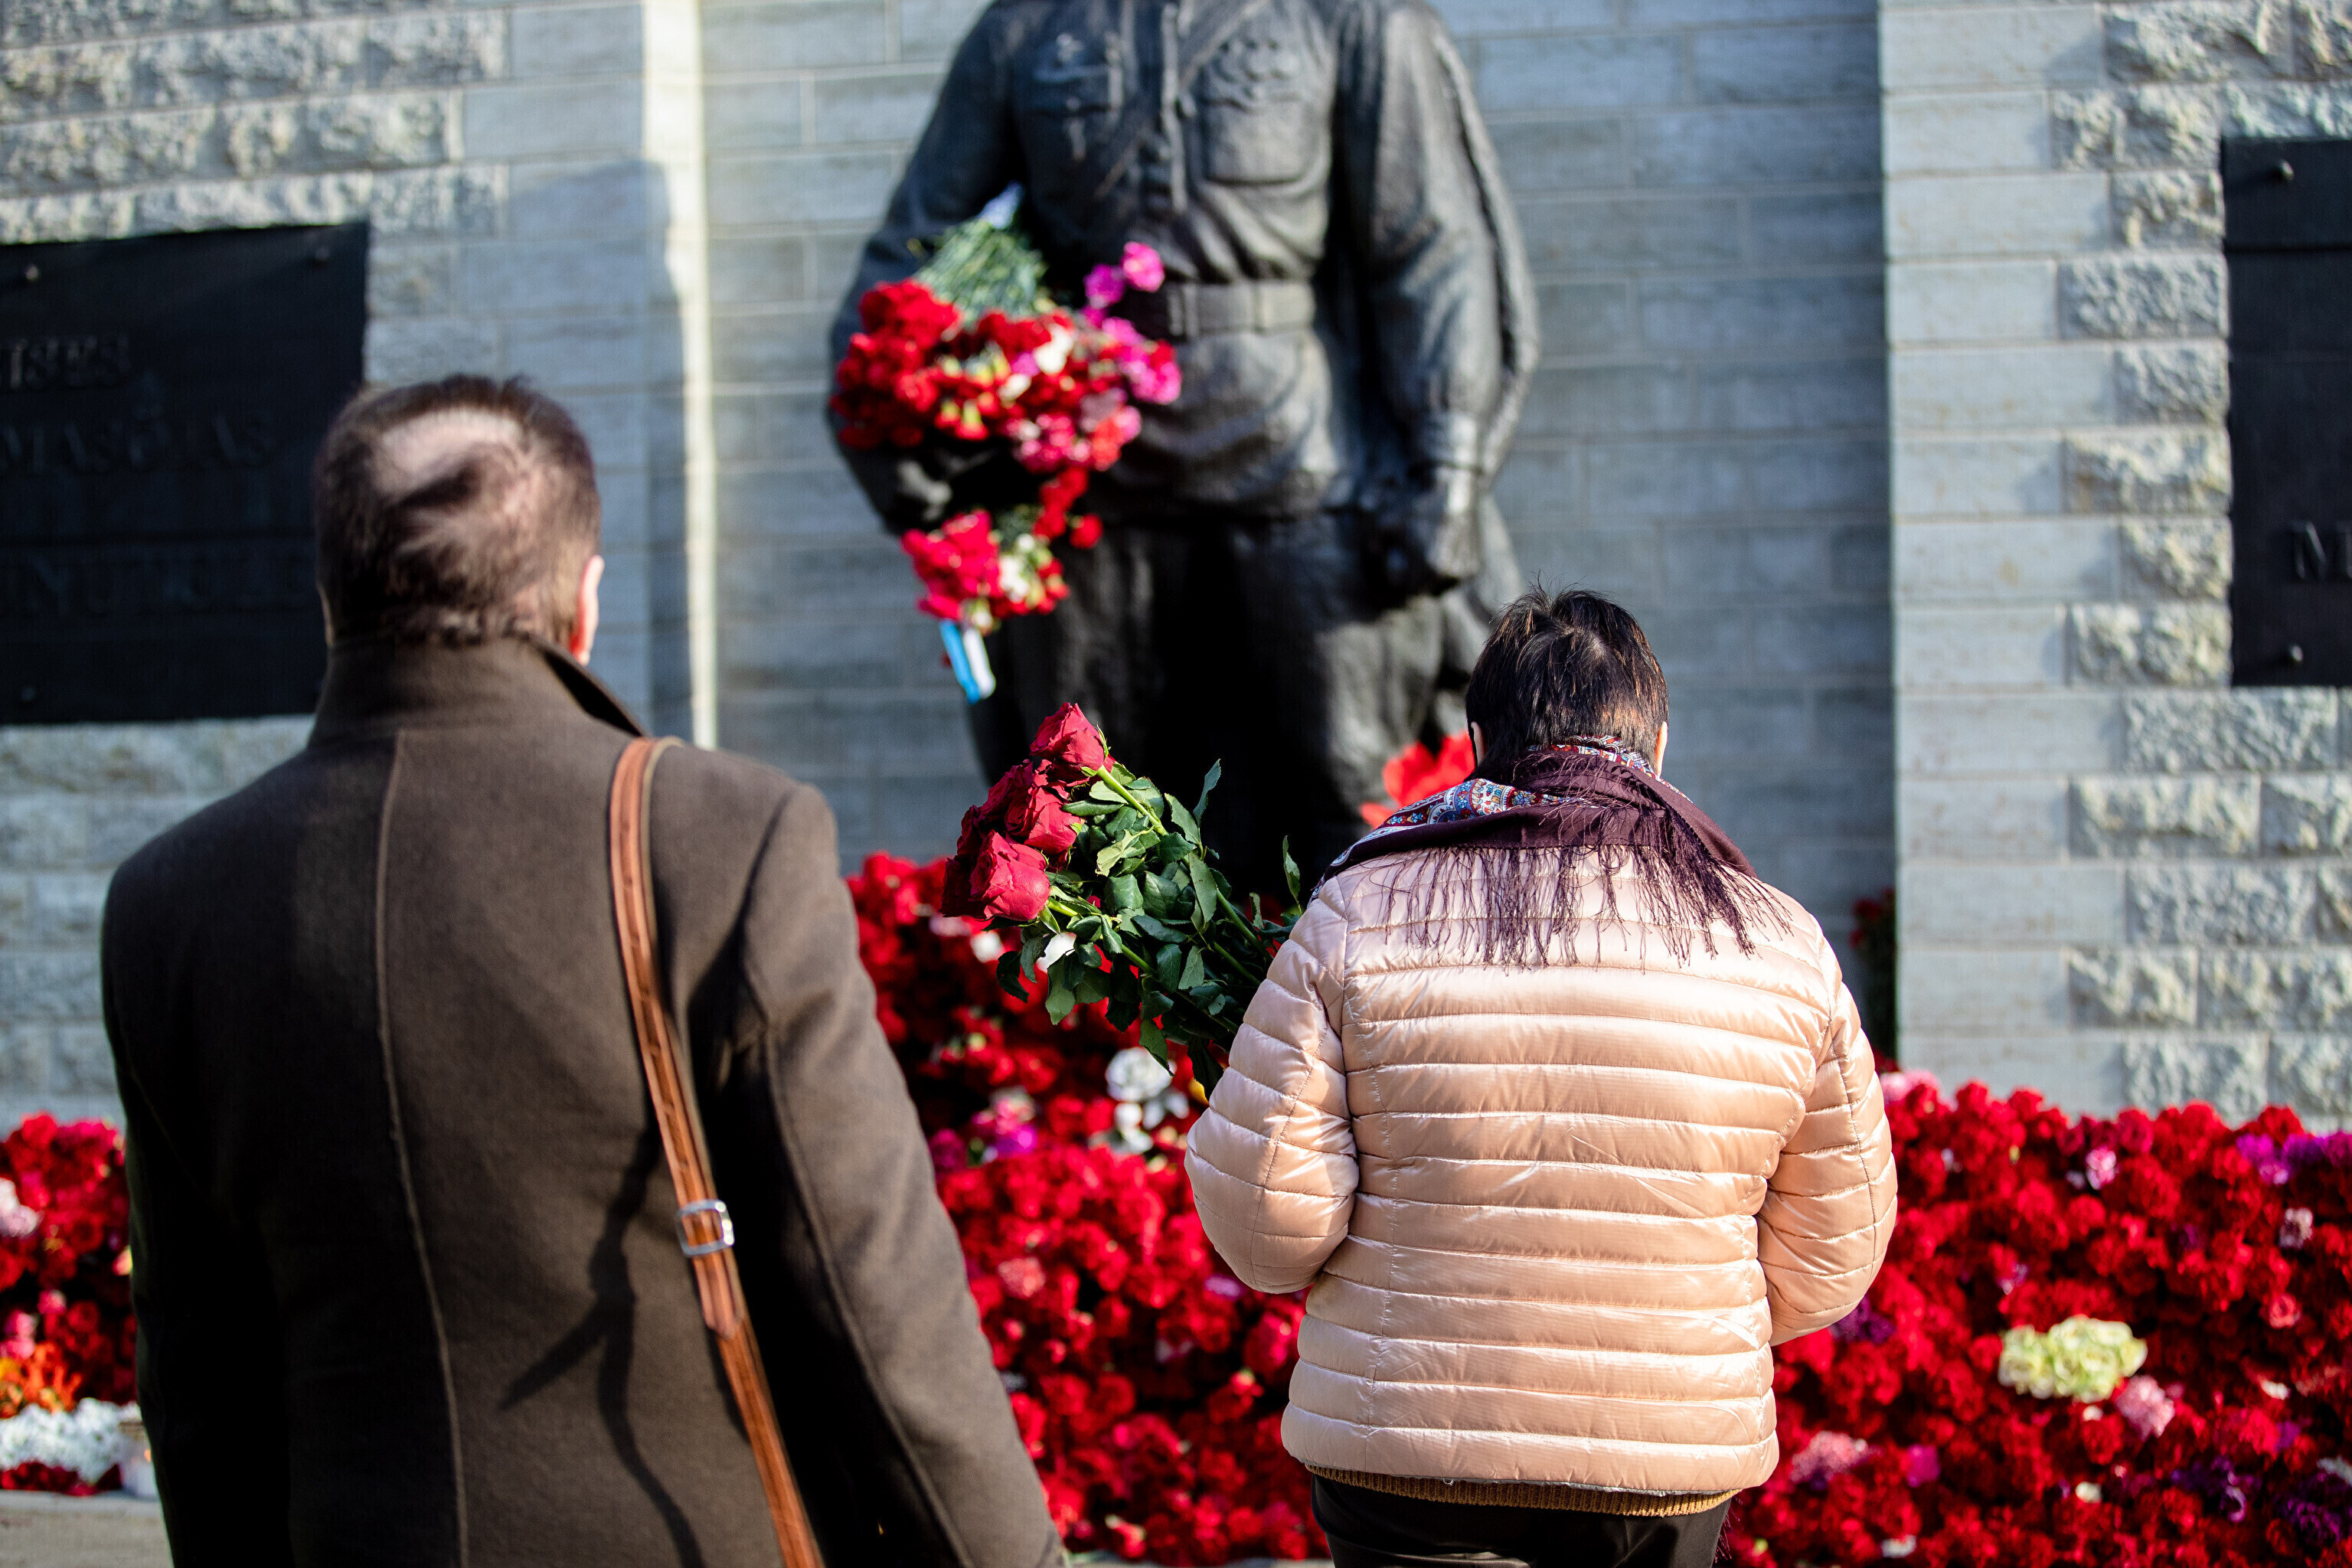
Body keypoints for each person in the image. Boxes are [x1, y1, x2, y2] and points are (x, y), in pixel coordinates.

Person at [100, 376, 1063, 1568]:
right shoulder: (718, 838)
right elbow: (876, 1309)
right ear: (583, 601)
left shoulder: (169, 898)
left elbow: (200, 1386)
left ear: (330, 598)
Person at [1185, 590, 1897, 1568]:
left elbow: (1269, 1217)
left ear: (1479, 741)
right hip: (1664, 1455)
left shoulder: (1356, 909)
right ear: (1657, 744)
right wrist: (1678, 1317)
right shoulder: (1778, 943)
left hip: (1407, 1448)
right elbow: (1832, 1248)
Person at [831, 0, 1538, 889]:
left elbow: (1430, 245)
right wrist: (892, 429)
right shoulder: (1028, 29)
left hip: (1303, 464)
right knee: (1090, 823)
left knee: (1353, 794)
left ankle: (1359, 982)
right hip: (1093, 488)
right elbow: (915, 244)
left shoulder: (1350, 19)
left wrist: (1448, 462)